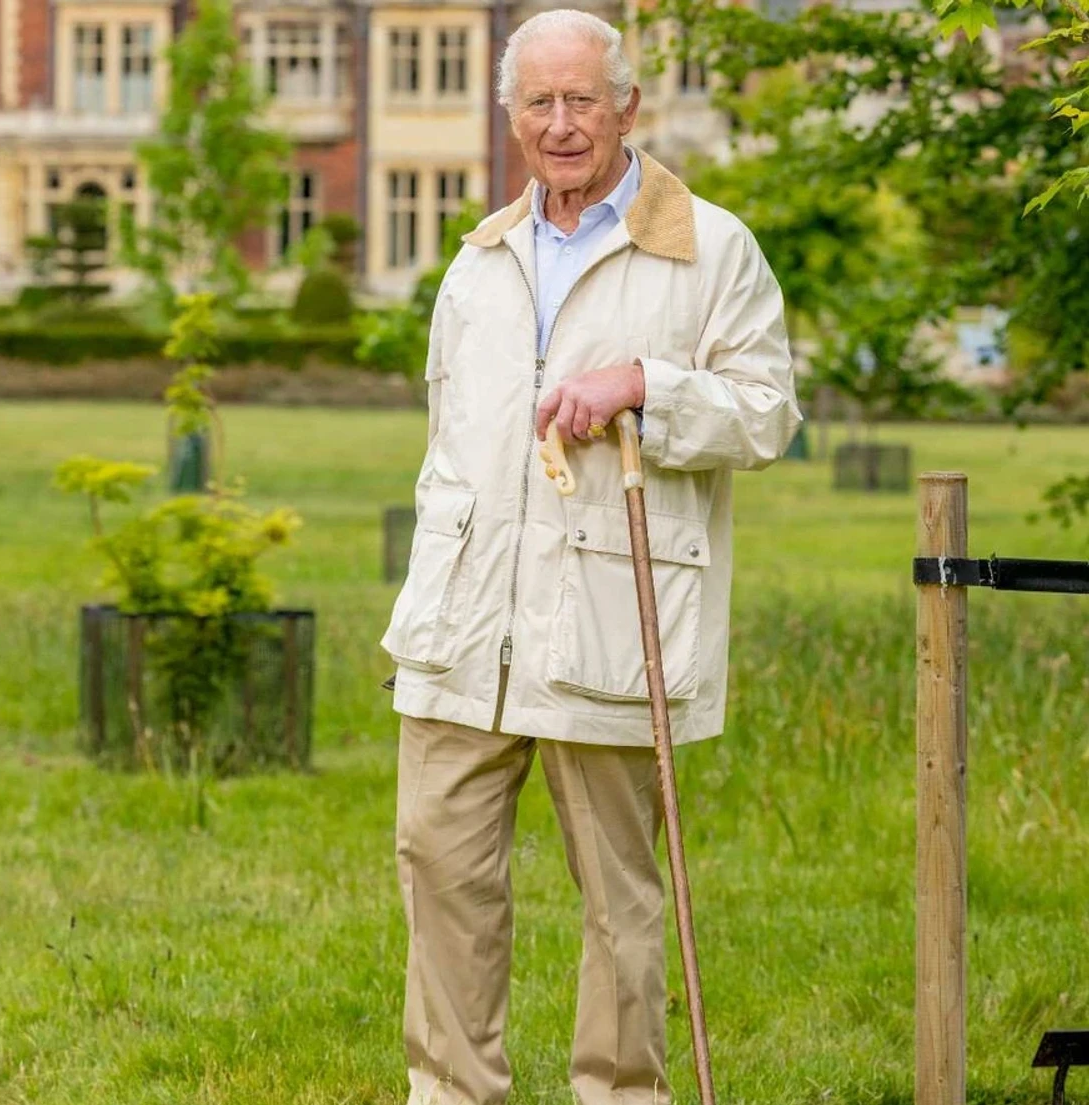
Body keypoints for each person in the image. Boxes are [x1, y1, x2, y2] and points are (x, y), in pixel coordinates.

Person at [381, 9, 802, 1104]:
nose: (561, 125)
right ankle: (452, 1092)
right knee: (439, 866)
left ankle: (620, 1095)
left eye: (582, 101)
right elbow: (452, 454)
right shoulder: (480, 260)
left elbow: (766, 417)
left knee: (618, 895)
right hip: (465, 625)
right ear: (510, 115)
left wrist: (648, 389)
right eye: (538, 103)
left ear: (628, 107)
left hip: (617, 625)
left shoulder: (711, 248)